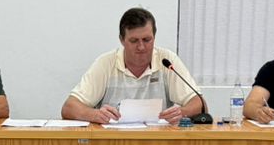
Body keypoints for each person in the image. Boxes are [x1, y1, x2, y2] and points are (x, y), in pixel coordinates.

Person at [61, 7, 206, 125]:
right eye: (134, 41)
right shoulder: (106, 63)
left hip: (158, 143)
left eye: (147, 40)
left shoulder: (167, 61)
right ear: (122, 40)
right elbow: (69, 108)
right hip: (113, 144)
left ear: (154, 37)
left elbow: (199, 103)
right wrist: (95, 114)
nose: (141, 47)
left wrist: (181, 112)